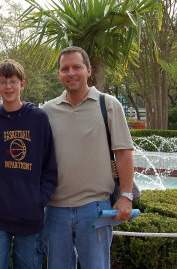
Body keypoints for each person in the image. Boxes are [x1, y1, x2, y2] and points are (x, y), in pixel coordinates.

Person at [41, 46, 134, 269]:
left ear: (88, 70)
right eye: (65, 69)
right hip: (54, 210)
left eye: (77, 67)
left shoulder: (108, 105)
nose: (71, 73)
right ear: (58, 74)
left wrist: (127, 196)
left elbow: (123, 153)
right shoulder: (46, 111)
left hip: (95, 209)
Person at [0, 59, 58, 269]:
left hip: (30, 218)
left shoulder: (39, 119)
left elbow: (50, 168)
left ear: (22, 84)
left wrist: (39, 200)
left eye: (13, 81)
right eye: (3, 82)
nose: (8, 86)